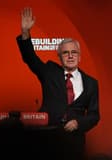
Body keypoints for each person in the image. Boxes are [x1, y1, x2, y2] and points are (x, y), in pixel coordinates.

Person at [16, 8, 99, 158]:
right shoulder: (49, 72)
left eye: (74, 52)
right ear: (59, 58)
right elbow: (30, 58)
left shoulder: (91, 83)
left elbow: (94, 115)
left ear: (79, 57)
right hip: (47, 138)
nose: (70, 56)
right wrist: (25, 33)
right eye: (65, 53)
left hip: (75, 142)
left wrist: (78, 123)